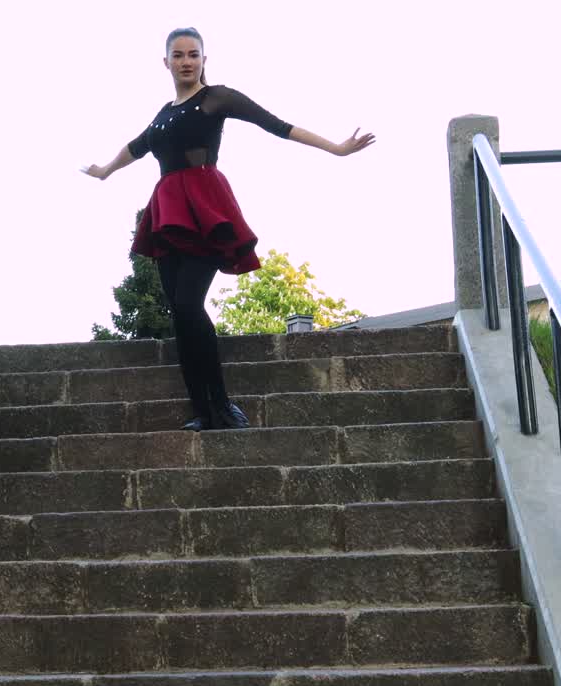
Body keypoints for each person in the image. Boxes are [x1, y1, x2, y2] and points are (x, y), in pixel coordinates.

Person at [82, 26, 375, 431]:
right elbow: (136, 146)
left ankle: (223, 405)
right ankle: (201, 409)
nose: (186, 61)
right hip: (168, 212)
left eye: (194, 55)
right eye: (179, 55)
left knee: (188, 305)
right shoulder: (163, 114)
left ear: (204, 59)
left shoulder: (215, 97)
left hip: (204, 206)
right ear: (165, 62)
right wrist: (104, 172)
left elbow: (277, 124)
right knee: (180, 315)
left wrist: (337, 148)